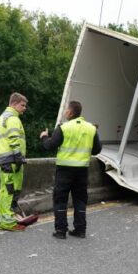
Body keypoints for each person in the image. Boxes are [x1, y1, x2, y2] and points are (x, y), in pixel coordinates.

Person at [40, 101, 102, 239]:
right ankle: (80, 230)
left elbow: (50, 145)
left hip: (64, 170)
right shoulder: (91, 128)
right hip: (82, 170)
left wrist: (44, 137)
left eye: (66, 110)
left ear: (70, 112)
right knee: (80, 199)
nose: (64, 112)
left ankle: (61, 231)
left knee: (60, 199)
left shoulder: (63, 128)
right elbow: (97, 150)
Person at [0, 92, 29, 231]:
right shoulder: (13, 118)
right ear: (14, 104)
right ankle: (8, 222)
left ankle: (3, 220)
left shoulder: (0, 119)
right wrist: (19, 155)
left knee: (4, 190)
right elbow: (14, 138)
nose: (24, 108)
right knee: (11, 190)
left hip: (3, 159)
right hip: (12, 159)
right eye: (22, 105)